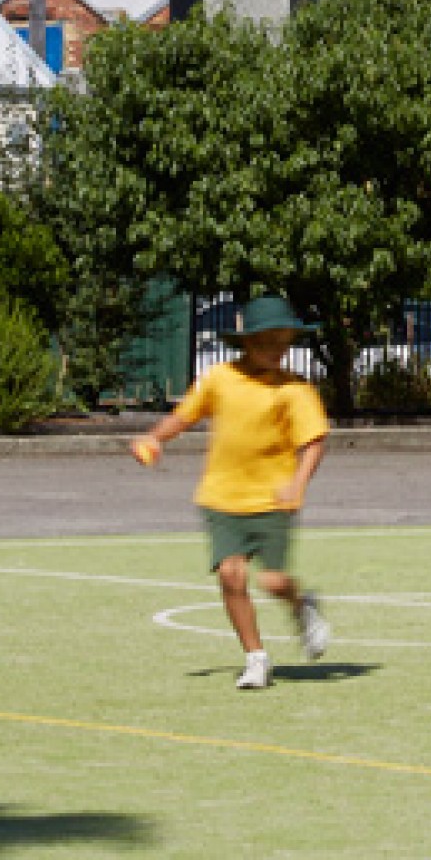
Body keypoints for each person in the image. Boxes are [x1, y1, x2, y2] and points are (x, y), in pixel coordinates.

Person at [131, 295, 333, 690]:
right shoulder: (220, 379)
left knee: (273, 581)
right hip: (221, 498)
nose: (276, 351)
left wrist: (298, 483)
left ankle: (301, 605)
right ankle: (256, 657)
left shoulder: (295, 389)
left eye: (283, 342)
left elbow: (315, 442)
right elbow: (184, 415)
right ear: (245, 342)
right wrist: (155, 439)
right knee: (231, 574)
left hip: (273, 500)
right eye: (266, 342)